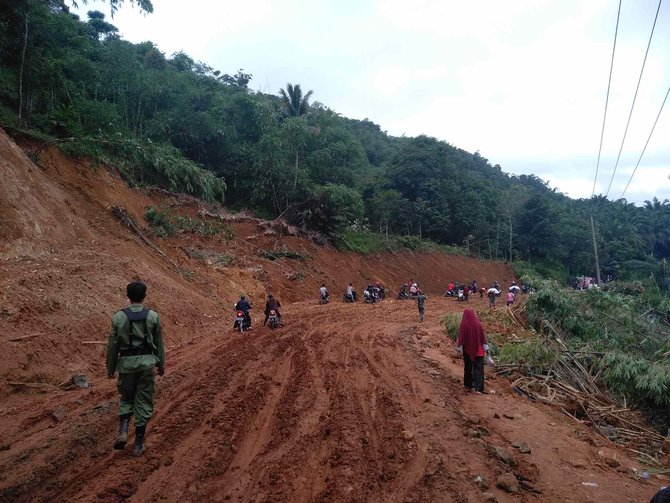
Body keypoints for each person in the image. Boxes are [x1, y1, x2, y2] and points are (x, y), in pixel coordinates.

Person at [106, 281, 165, 456]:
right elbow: (159, 344)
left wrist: (110, 369)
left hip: (126, 365)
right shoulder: (153, 316)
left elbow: (112, 346)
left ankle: (123, 431)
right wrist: (161, 365)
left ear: (128, 296)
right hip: (146, 365)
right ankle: (139, 443)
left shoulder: (118, 317)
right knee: (143, 401)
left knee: (126, 398)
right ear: (145, 296)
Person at [456, 308, 489, 394]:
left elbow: (461, 338)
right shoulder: (478, 324)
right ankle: (479, 388)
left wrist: (459, 349)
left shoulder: (464, 325)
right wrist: (487, 350)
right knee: (479, 369)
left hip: (467, 351)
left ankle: (468, 385)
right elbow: (483, 338)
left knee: (468, 368)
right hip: (479, 351)